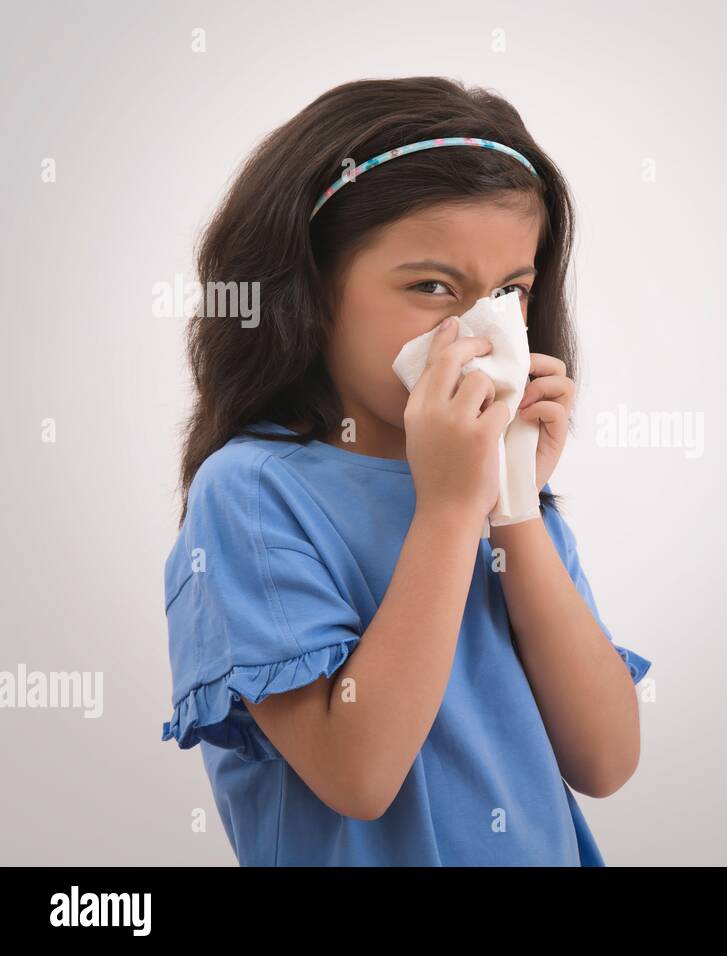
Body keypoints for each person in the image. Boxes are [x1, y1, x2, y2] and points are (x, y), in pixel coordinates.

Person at [159, 77, 651, 866]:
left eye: (508, 291)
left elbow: (605, 759)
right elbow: (357, 775)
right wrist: (452, 512)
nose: (483, 329)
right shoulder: (254, 493)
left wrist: (512, 503)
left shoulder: (501, 491)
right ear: (313, 292)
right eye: (431, 286)